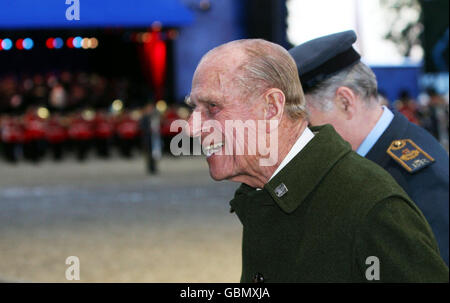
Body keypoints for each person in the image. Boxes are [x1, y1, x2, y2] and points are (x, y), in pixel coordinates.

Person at [186, 39, 448, 282]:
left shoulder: (371, 203)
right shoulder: (262, 192)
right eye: (194, 108)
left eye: (213, 108)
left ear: (271, 108)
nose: (191, 128)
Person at [289, 30, 449, 265]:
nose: (301, 135)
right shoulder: (363, 159)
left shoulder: (416, 178)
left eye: (306, 122)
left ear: (345, 102)